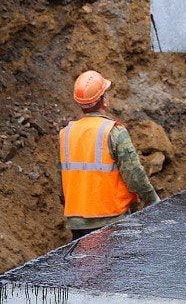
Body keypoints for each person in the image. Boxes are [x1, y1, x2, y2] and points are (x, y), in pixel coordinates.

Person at [59, 70, 159, 239]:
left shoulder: (66, 134)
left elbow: (61, 180)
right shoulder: (113, 132)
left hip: (77, 223)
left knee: (85, 265)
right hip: (112, 220)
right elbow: (134, 174)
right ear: (103, 100)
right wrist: (152, 199)